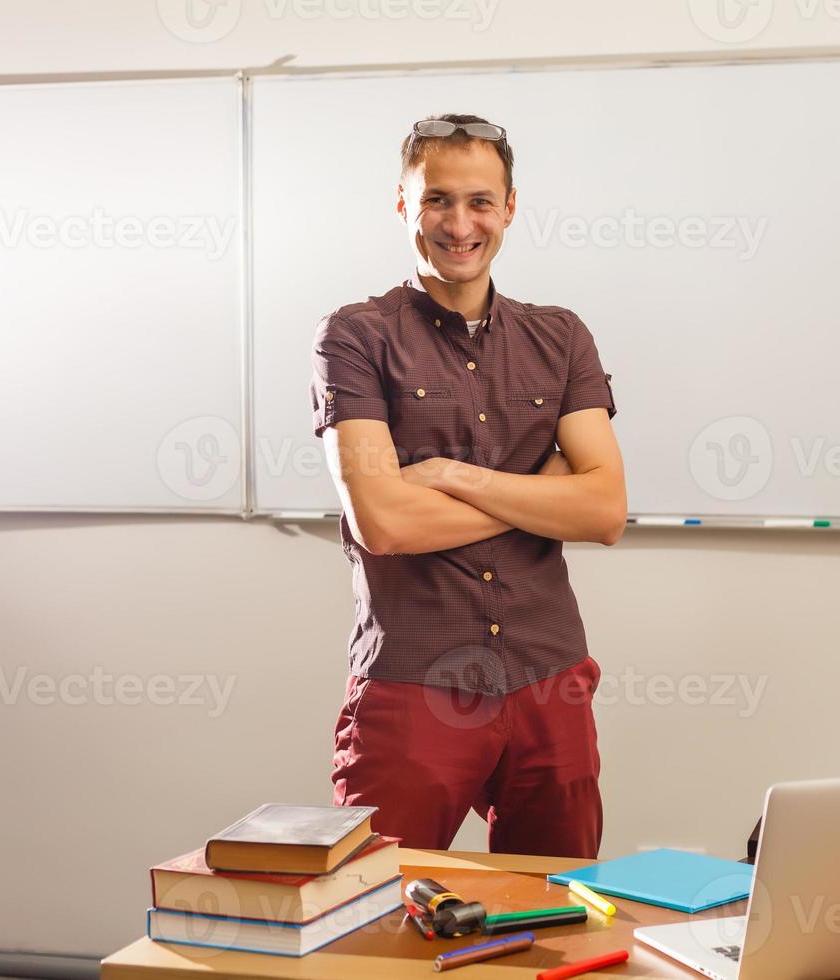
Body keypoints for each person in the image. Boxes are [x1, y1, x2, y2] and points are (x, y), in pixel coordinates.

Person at [309, 113, 626, 858]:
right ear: (403, 205)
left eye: (480, 201)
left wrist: (450, 476)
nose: (460, 224)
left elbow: (605, 509)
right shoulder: (354, 337)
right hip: (414, 678)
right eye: (437, 200)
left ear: (510, 207)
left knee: (556, 911)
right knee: (376, 915)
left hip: (548, 675)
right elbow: (385, 522)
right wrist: (544, 495)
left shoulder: (562, 336)